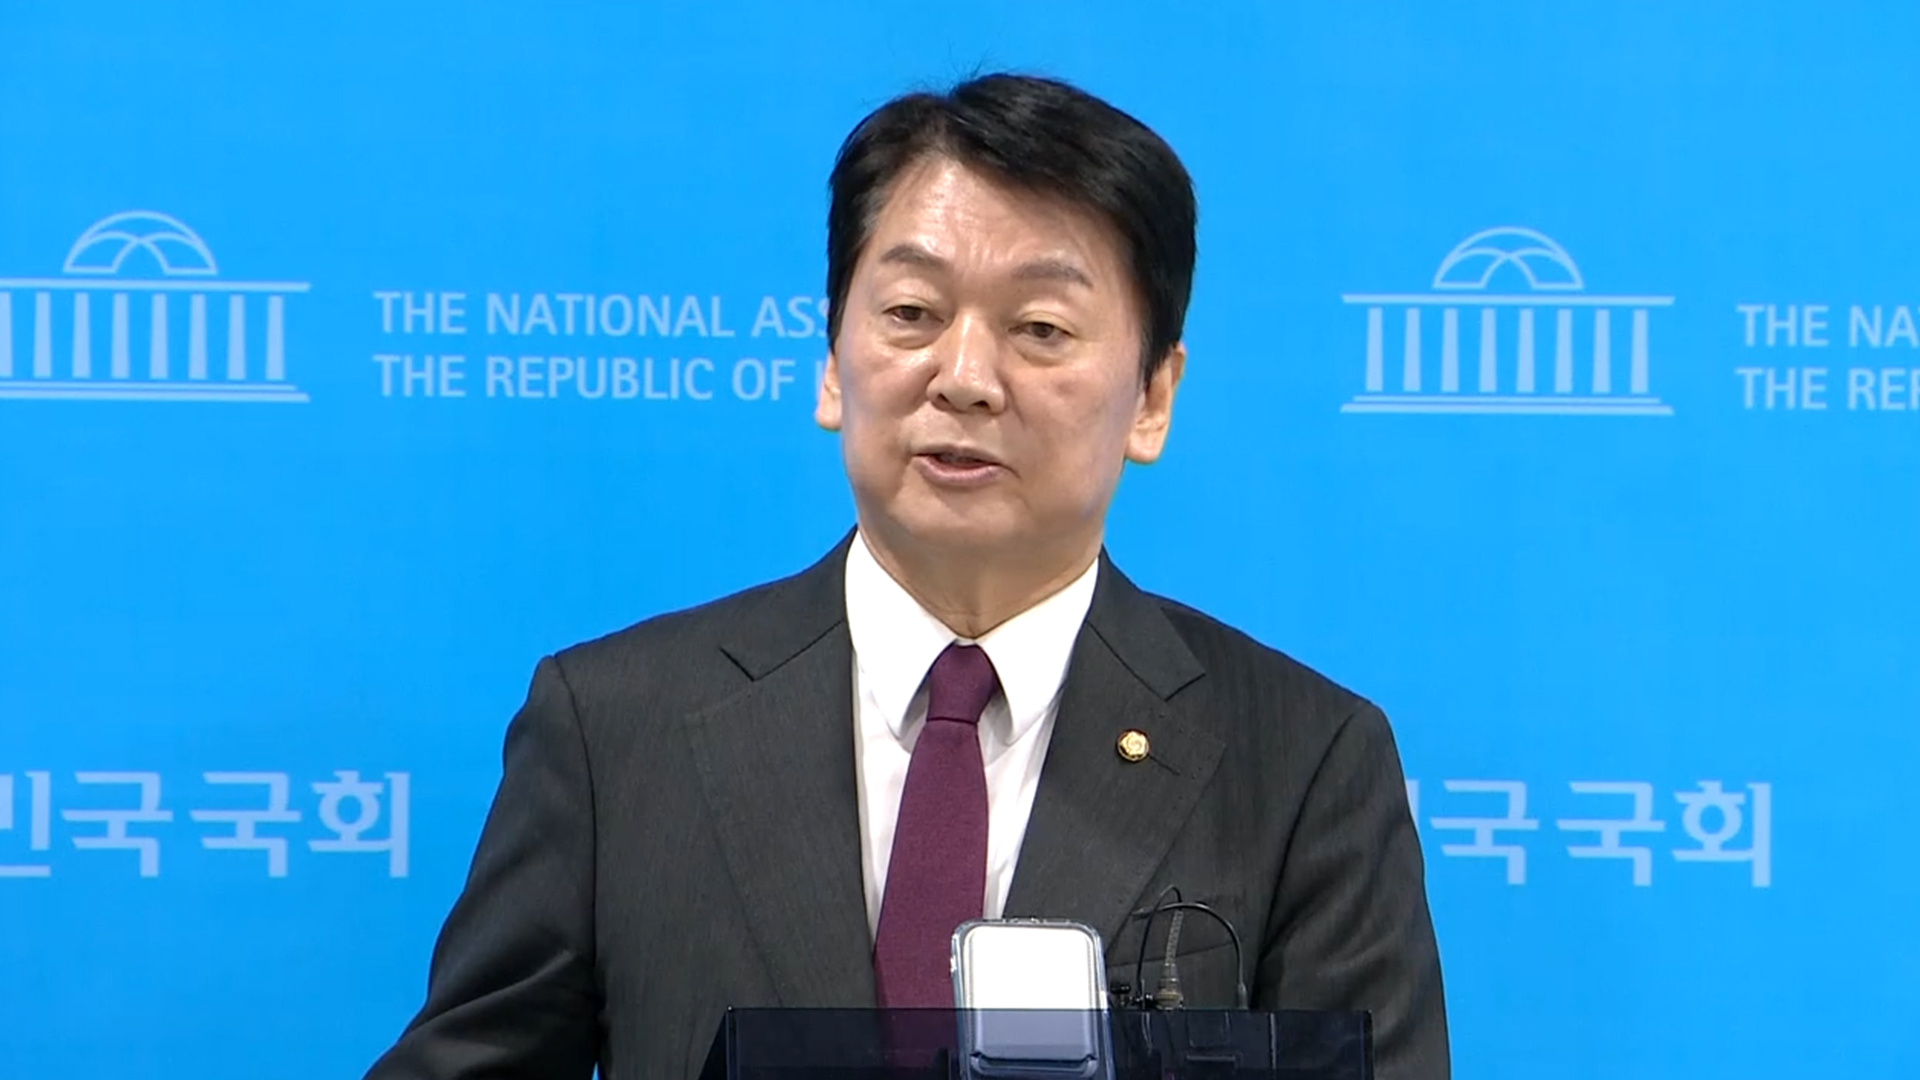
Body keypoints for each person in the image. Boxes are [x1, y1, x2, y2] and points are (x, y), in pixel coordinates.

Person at [365, 72, 1448, 1080]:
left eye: (1040, 328)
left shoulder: (1303, 763)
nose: (964, 378)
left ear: (1153, 398)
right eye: (912, 315)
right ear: (833, 363)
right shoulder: (615, 729)